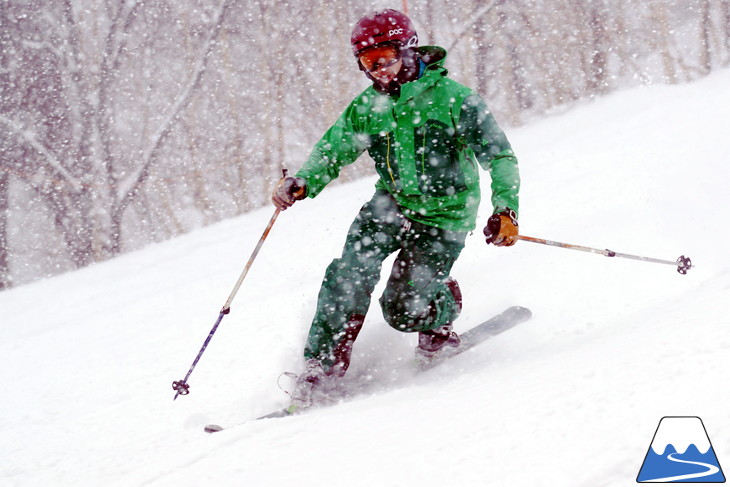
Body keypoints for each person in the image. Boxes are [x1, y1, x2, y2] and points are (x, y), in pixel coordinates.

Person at [271, 9, 520, 410]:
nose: (379, 70)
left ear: (408, 49)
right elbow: (333, 149)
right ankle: (321, 371)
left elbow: (501, 156)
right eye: (368, 63)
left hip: (444, 216)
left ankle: (441, 311)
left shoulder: (455, 100)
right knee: (348, 276)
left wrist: (506, 209)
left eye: (384, 57)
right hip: (390, 205)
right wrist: (304, 180)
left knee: (402, 311)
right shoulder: (368, 107)